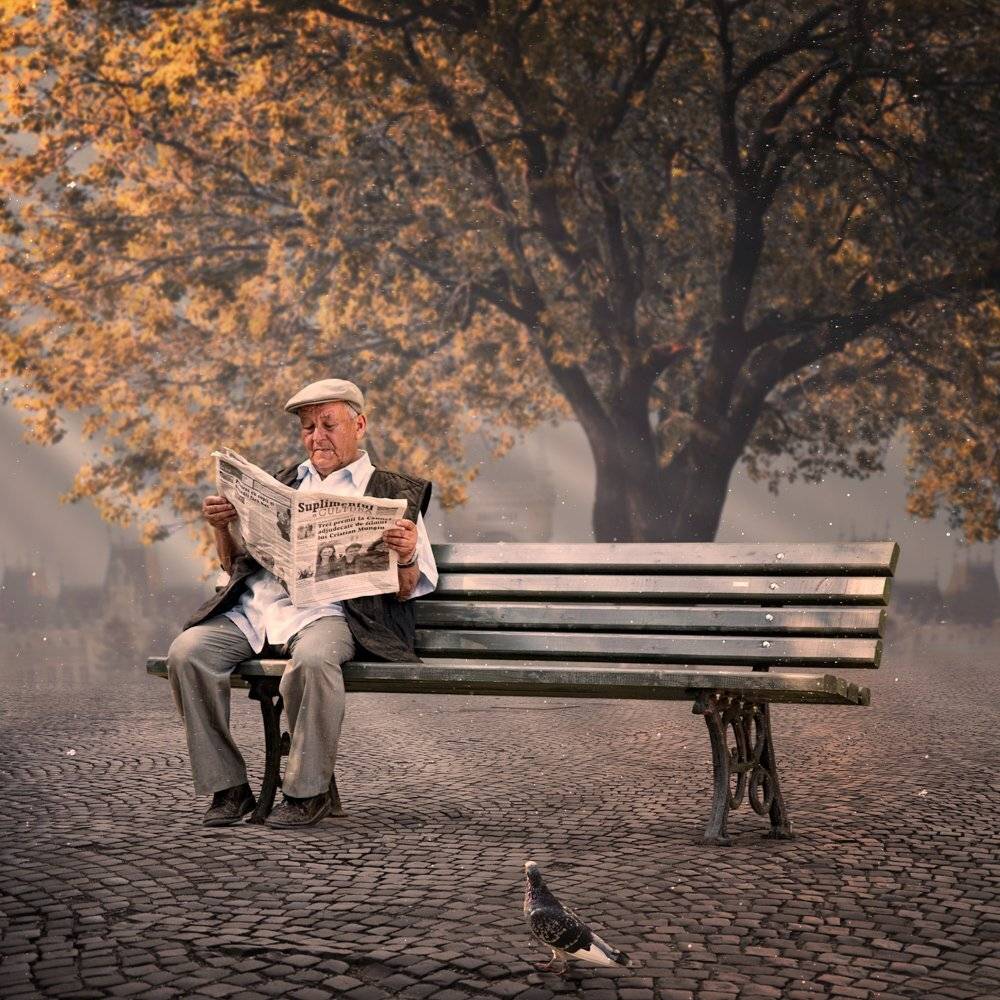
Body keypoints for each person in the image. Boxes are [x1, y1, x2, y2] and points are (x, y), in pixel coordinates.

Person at [167, 378, 437, 828]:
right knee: (187, 653)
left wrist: (406, 551)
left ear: (359, 424)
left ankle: (306, 793)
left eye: (329, 424)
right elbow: (233, 567)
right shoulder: (280, 484)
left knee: (312, 661)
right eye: (308, 428)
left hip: (329, 617)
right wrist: (221, 527)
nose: (317, 436)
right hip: (257, 612)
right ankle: (228, 788)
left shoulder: (392, 491)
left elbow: (407, 588)